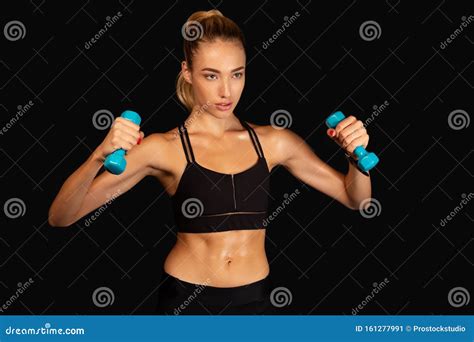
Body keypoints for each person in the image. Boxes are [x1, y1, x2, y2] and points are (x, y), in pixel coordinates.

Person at [48, 9, 372, 315]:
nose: (226, 90)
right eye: (211, 75)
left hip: (255, 300)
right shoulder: (164, 147)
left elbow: (356, 199)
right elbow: (61, 216)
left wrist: (354, 158)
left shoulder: (274, 142)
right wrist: (97, 157)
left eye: (237, 74)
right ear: (187, 72)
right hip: (186, 302)